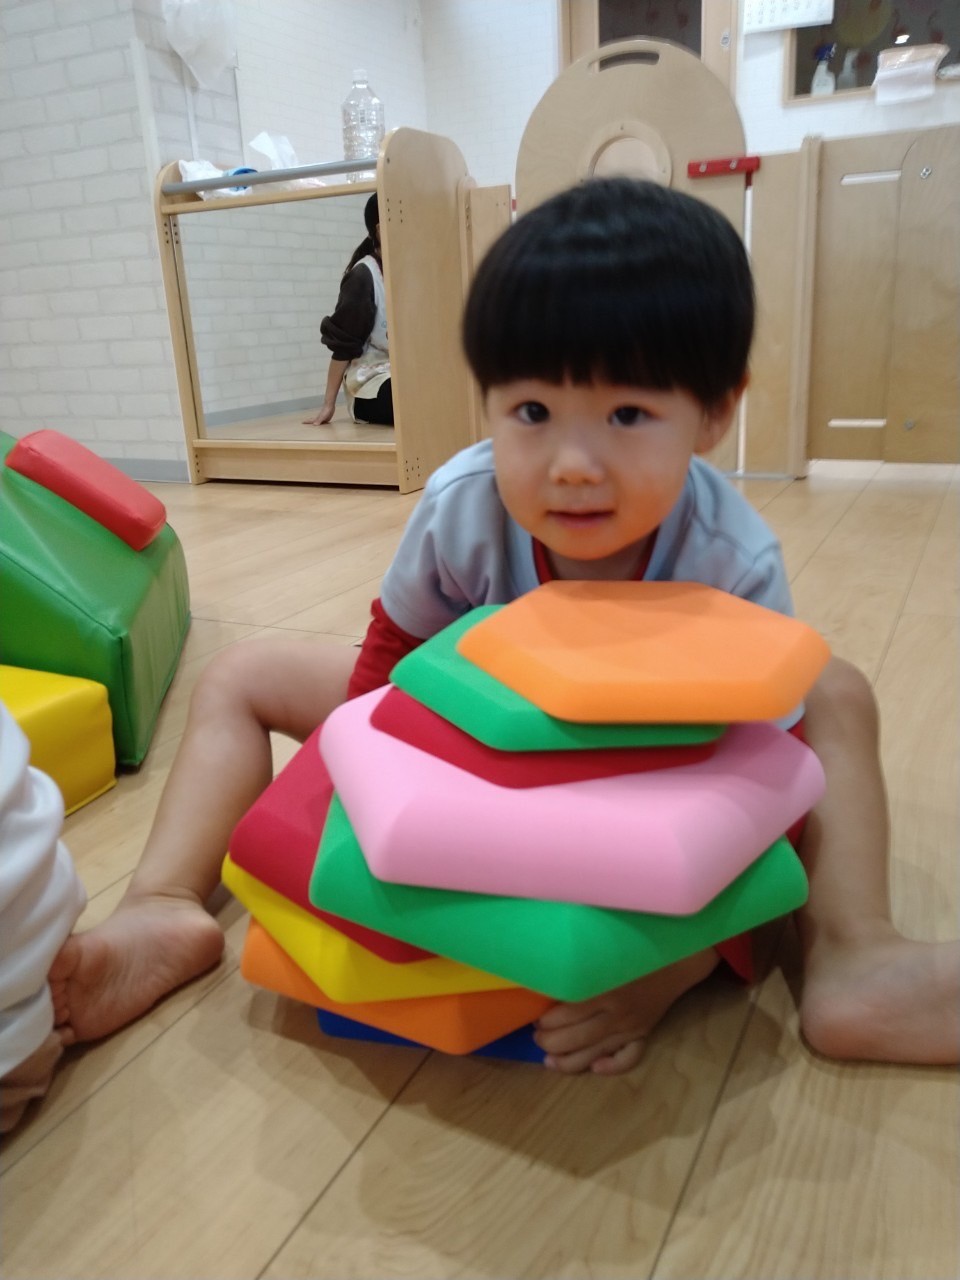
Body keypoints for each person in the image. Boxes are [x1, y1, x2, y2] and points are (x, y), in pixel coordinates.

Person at [50, 178, 959, 1075]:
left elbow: (760, 796)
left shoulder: (730, 557)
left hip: (651, 765)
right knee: (240, 674)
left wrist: (670, 967)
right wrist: (369, 832)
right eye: (532, 413)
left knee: (835, 692)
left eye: (628, 415)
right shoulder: (463, 504)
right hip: (469, 739)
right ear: (486, 401)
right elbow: (384, 680)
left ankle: (852, 952)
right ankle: (163, 902)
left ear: (715, 412)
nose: (572, 464)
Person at [0, 702, 86, 1132]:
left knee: (233, 686)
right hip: (39, 901)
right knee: (233, 685)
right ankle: (165, 898)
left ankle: (165, 899)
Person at [303, 192, 393, 428]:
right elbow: (343, 346)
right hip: (370, 384)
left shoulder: (408, 270)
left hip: (404, 374)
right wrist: (328, 404)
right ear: (380, 230)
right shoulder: (363, 277)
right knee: (415, 399)